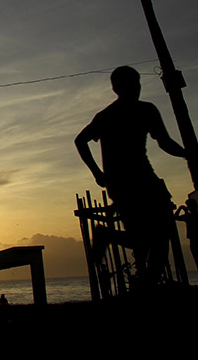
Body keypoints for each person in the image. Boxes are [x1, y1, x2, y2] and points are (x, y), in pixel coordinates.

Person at [75, 66, 186, 286]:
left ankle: (147, 282)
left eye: (137, 84)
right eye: (132, 84)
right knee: (152, 237)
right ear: (118, 88)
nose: (136, 89)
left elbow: (164, 142)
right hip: (132, 182)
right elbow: (80, 140)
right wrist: (98, 173)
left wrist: (186, 154)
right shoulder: (134, 112)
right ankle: (111, 240)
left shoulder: (117, 114)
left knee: (152, 237)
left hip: (132, 181)